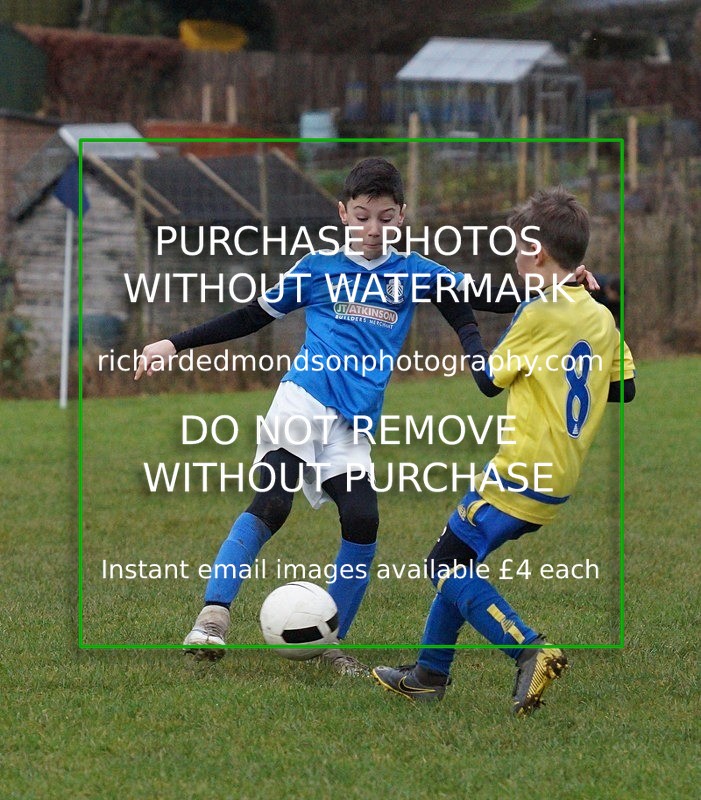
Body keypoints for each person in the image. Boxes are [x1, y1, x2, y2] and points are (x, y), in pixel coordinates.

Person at [135, 159, 597, 677]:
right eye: (360, 217)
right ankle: (213, 617)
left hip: (352, 425)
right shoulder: (317, 268)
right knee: (272, 503)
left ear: (402, 215)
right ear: (342, 214)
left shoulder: (417, 273)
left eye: (383, 217)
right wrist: (174, 343)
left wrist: (563, 285)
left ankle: (332, 643)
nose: (372, 229)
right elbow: (249, 316)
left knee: (362, 522)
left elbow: (488, 297)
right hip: (302, 403)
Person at [372, 187, 636, 714]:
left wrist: (467, 330)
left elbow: (489, 381)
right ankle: (428, 673)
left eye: (518, 250)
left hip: (519, 471)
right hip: (559, 479)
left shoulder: (539, 312)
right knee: (460, 555)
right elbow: (624, 388)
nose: (514, 261)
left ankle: (529, 649)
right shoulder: (600, 315)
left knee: (444, 563)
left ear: (538, 251)